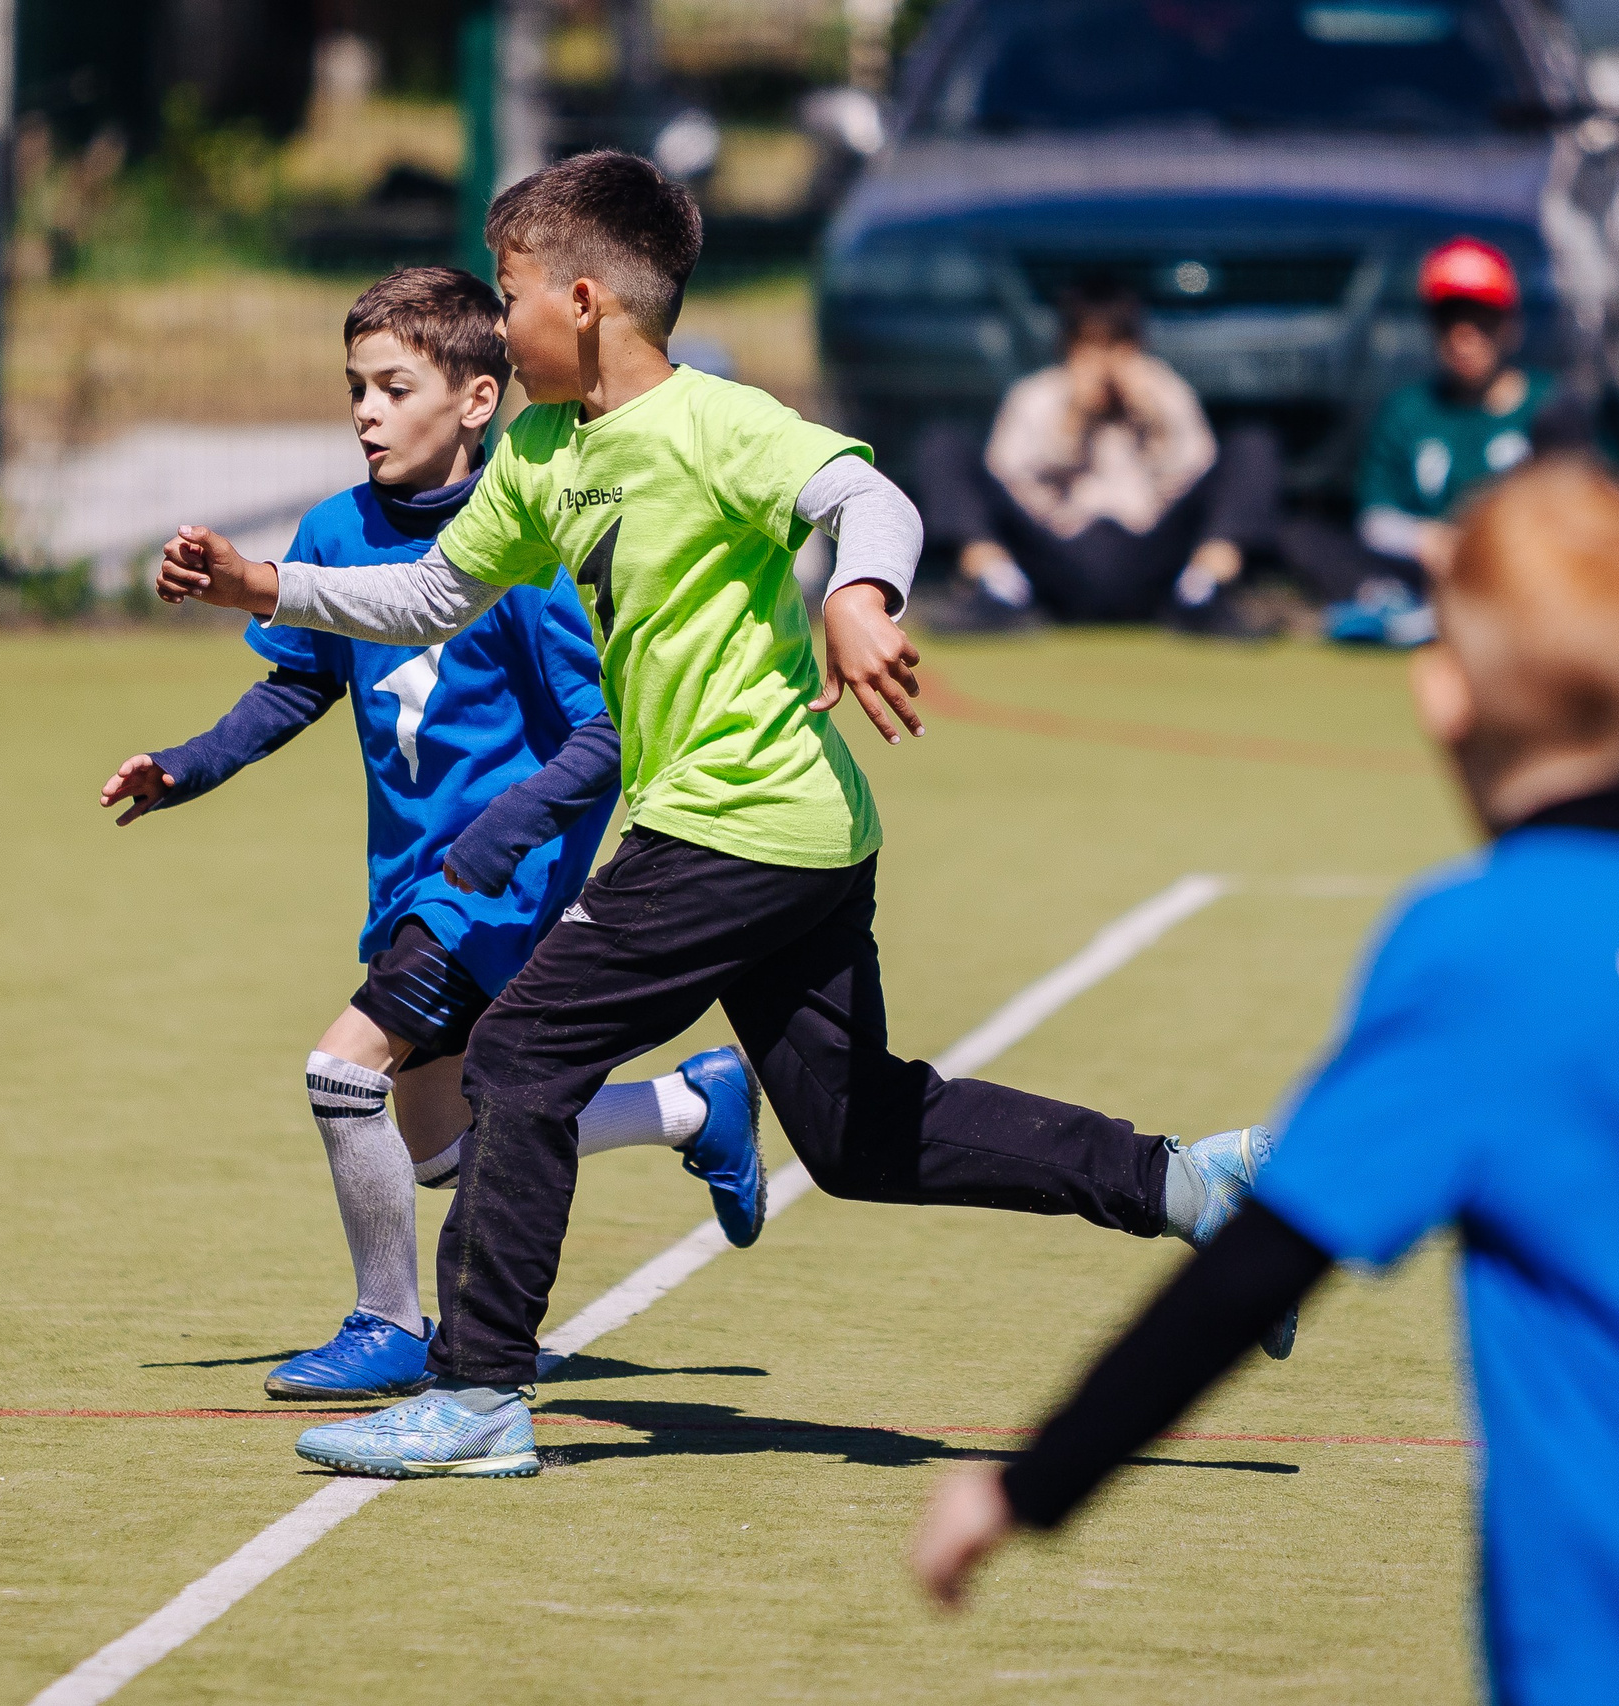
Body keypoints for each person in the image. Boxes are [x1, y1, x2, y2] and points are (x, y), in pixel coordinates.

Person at [154, 151, 1289, 1481]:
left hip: (734, 821)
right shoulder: (538, 452)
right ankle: (1191, 1184)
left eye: (510, 294)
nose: (498, 319)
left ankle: (474, 1393)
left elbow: (874, 497)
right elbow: (423, 598)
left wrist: (859, 595)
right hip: (798, 835)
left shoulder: (714, 423)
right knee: (861, 1131)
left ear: (583, 303)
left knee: (518, 1055)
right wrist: (263, 582)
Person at [913, 458, 1619, 1706]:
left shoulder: (1482, 950)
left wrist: (1027, 1485)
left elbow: (1259, 1265)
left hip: (1617, 1641)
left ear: (1442, 698)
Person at [100, 266, 767, 1404]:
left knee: (337, 1067)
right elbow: (295, 686)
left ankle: (386, 1324)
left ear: (474, 401)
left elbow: (609, 727)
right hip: (416, 879)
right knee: (438, 1148)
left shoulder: (526, 543)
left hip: (491, 889)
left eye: (393, 386)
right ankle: (692, 1105)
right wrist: (190, 765)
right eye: (354, 386)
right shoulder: (332, 529)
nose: (365, 410)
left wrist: (508, 836)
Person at [911, 279, 1280, 637]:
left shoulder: (1165, 392)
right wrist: (1071, 426)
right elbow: (1008, 491)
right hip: (1054, 555)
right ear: (1069, 347)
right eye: (1090, 345)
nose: (1104, 361)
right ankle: (997, 591)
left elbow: (1201, 485)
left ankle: (1204, 593)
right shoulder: (1036, 396)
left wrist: (1152, 424)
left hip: (1151, 555)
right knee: (943, 444)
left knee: (1253, 445)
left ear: (1136, 346)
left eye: (1116, 345)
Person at [1294, 237, 1594, 648]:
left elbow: (1587, 506)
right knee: (1306, 535)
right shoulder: (1406, 411)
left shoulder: (1553, 409)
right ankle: (1412, 613)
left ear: (1510, 327)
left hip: (1522, 565)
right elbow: (1376, 518)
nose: (1463, 335)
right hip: (1422, 570)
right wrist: (1428, 540)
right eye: (1450, 318)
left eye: (1480, 318)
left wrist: (1487, 544)